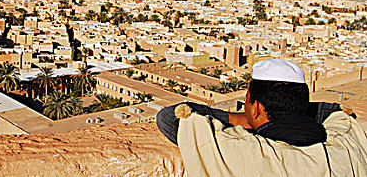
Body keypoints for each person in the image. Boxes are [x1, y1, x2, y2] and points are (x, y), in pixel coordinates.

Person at [156, 58, 367, 176]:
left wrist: (246, 118)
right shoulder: (347, 145)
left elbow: (170, 117)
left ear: (255, 107)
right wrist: (291, 110)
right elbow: (334, 110)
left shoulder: (240, 153)